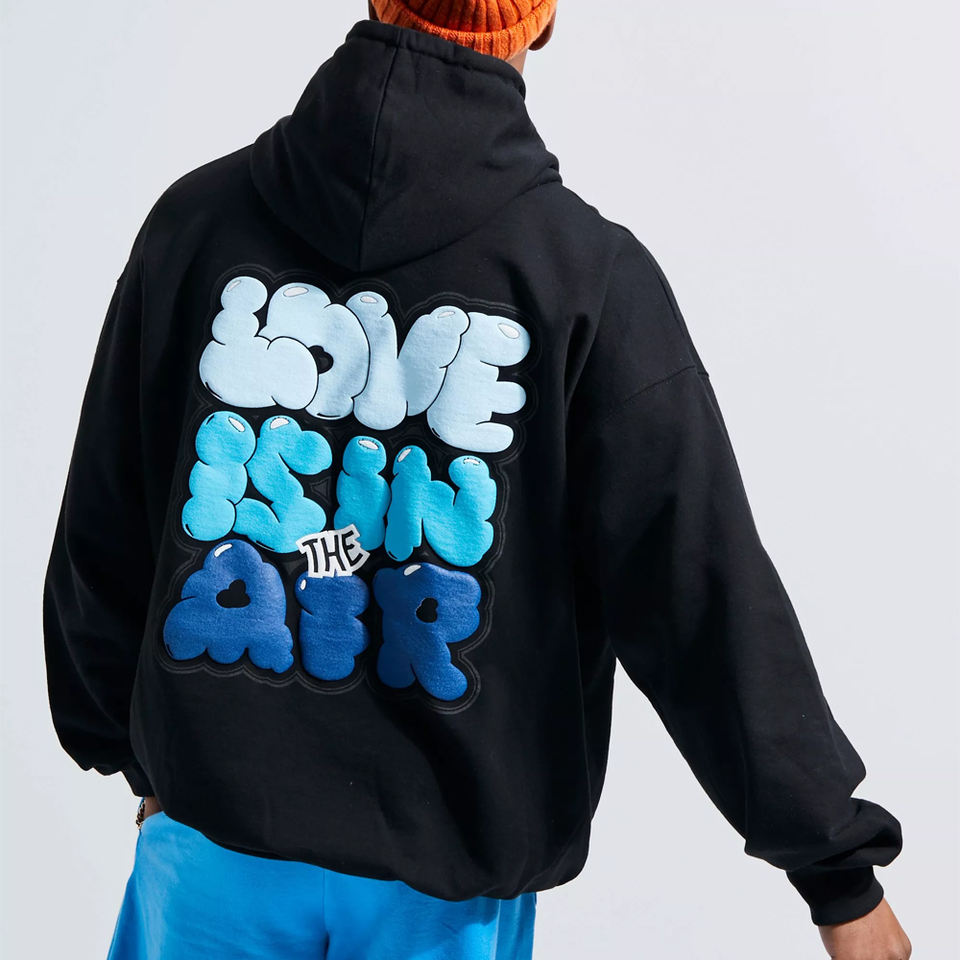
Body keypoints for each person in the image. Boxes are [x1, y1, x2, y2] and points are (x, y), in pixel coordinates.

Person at [41, 2, 912, 958]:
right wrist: (836, 873)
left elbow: (103, 526)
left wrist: (133, 755)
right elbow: (697, 596)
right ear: (541, 20)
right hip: (444, 878)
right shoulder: (586, 278)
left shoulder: (196, 224)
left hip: (210, 844)